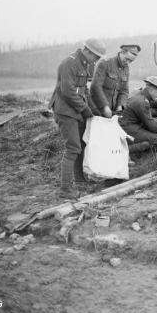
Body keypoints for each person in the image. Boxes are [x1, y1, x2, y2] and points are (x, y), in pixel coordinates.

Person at [49, 38, 106, 199]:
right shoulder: (70, 63)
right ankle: (65, 189)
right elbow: (68, 92)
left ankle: (80, 180)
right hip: (65, 111)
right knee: (73, 147)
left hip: (76, 111)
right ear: (86, 50)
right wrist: (86, 111)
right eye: (95, 56)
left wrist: (95, 111)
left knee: (80, 144)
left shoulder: (86, 64)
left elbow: (84, 91)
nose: (96, 60)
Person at [119, 76, 157, 154]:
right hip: (126, 129)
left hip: (122, 125)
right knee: (156, 139)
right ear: (152, 90)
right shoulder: (142, 102)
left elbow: (152, 102)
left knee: (153, 123)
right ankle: (123, 151)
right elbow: (153, 127)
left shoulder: (139, 93)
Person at [90, 44, 141, 118]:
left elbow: (124, 90)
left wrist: (120, 106)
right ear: (122, 52)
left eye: (131, 61)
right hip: (97, 109)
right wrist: (104, 107)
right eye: (127, 59)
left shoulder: (126, 69)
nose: (128, 63)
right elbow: (95, 87)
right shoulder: (105, 63)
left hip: (113, 111)